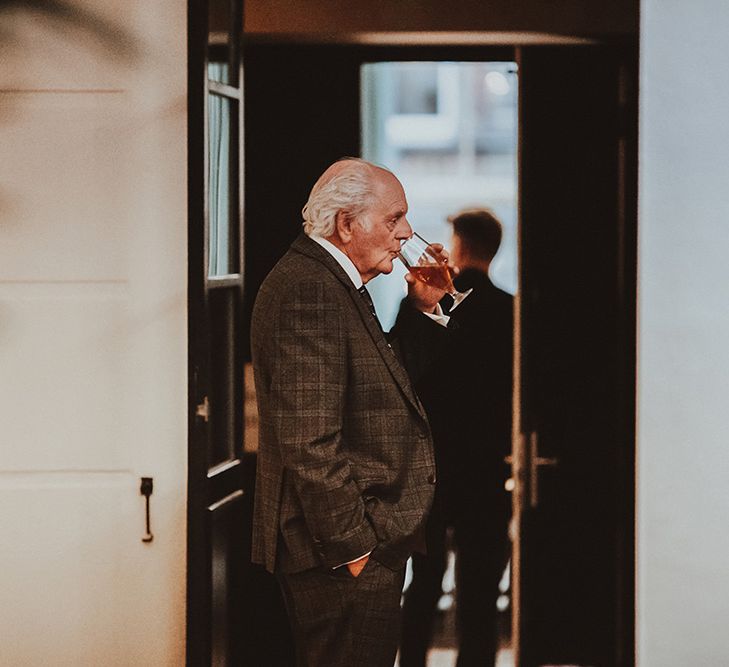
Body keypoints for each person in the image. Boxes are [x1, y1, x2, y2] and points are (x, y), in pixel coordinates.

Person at [250, 158, 455, 667]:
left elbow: (382, 381)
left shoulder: (329, 281)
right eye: (394, 219)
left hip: (346, 553)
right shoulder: (310, 289)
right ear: (346, 224)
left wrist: (423, 307)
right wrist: (355, 550)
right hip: (337, 558)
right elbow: (309, 441)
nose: (406, 233)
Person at [399, 208, 513, 667]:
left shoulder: (433, 305)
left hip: (434, 464)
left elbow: (406, 374)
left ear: (460, 247)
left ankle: (411, 663)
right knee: (480, 590)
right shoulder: (512, 310)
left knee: (423, 583)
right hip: (487, 466)